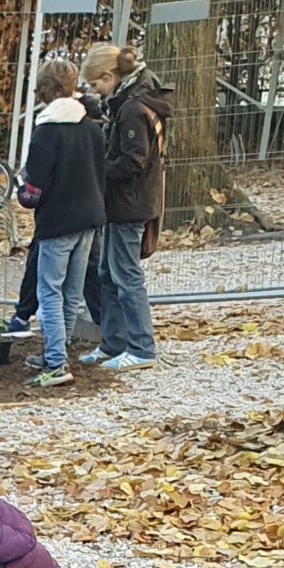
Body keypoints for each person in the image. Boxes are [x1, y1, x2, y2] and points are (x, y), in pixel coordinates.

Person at [17, 59, 106, 388]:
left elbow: (34, 190)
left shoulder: (46, 131)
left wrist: (21, 192)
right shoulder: (92, 127)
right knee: (71, 292)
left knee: (49, 292)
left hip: (57, 222)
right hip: (90, 219)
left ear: (47, 91)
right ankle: (59, 351)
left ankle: (55, 363)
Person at [94, 42, 171, 369]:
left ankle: (141, 348)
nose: (93, 90)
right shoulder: (133, 101)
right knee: (107, 273)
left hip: (130, 203)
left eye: (95, 83)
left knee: (126, 275)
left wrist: (97, 169)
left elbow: (134, 161)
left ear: (110, 76)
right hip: (125, 202)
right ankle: (113, 343)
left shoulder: (132, 109)